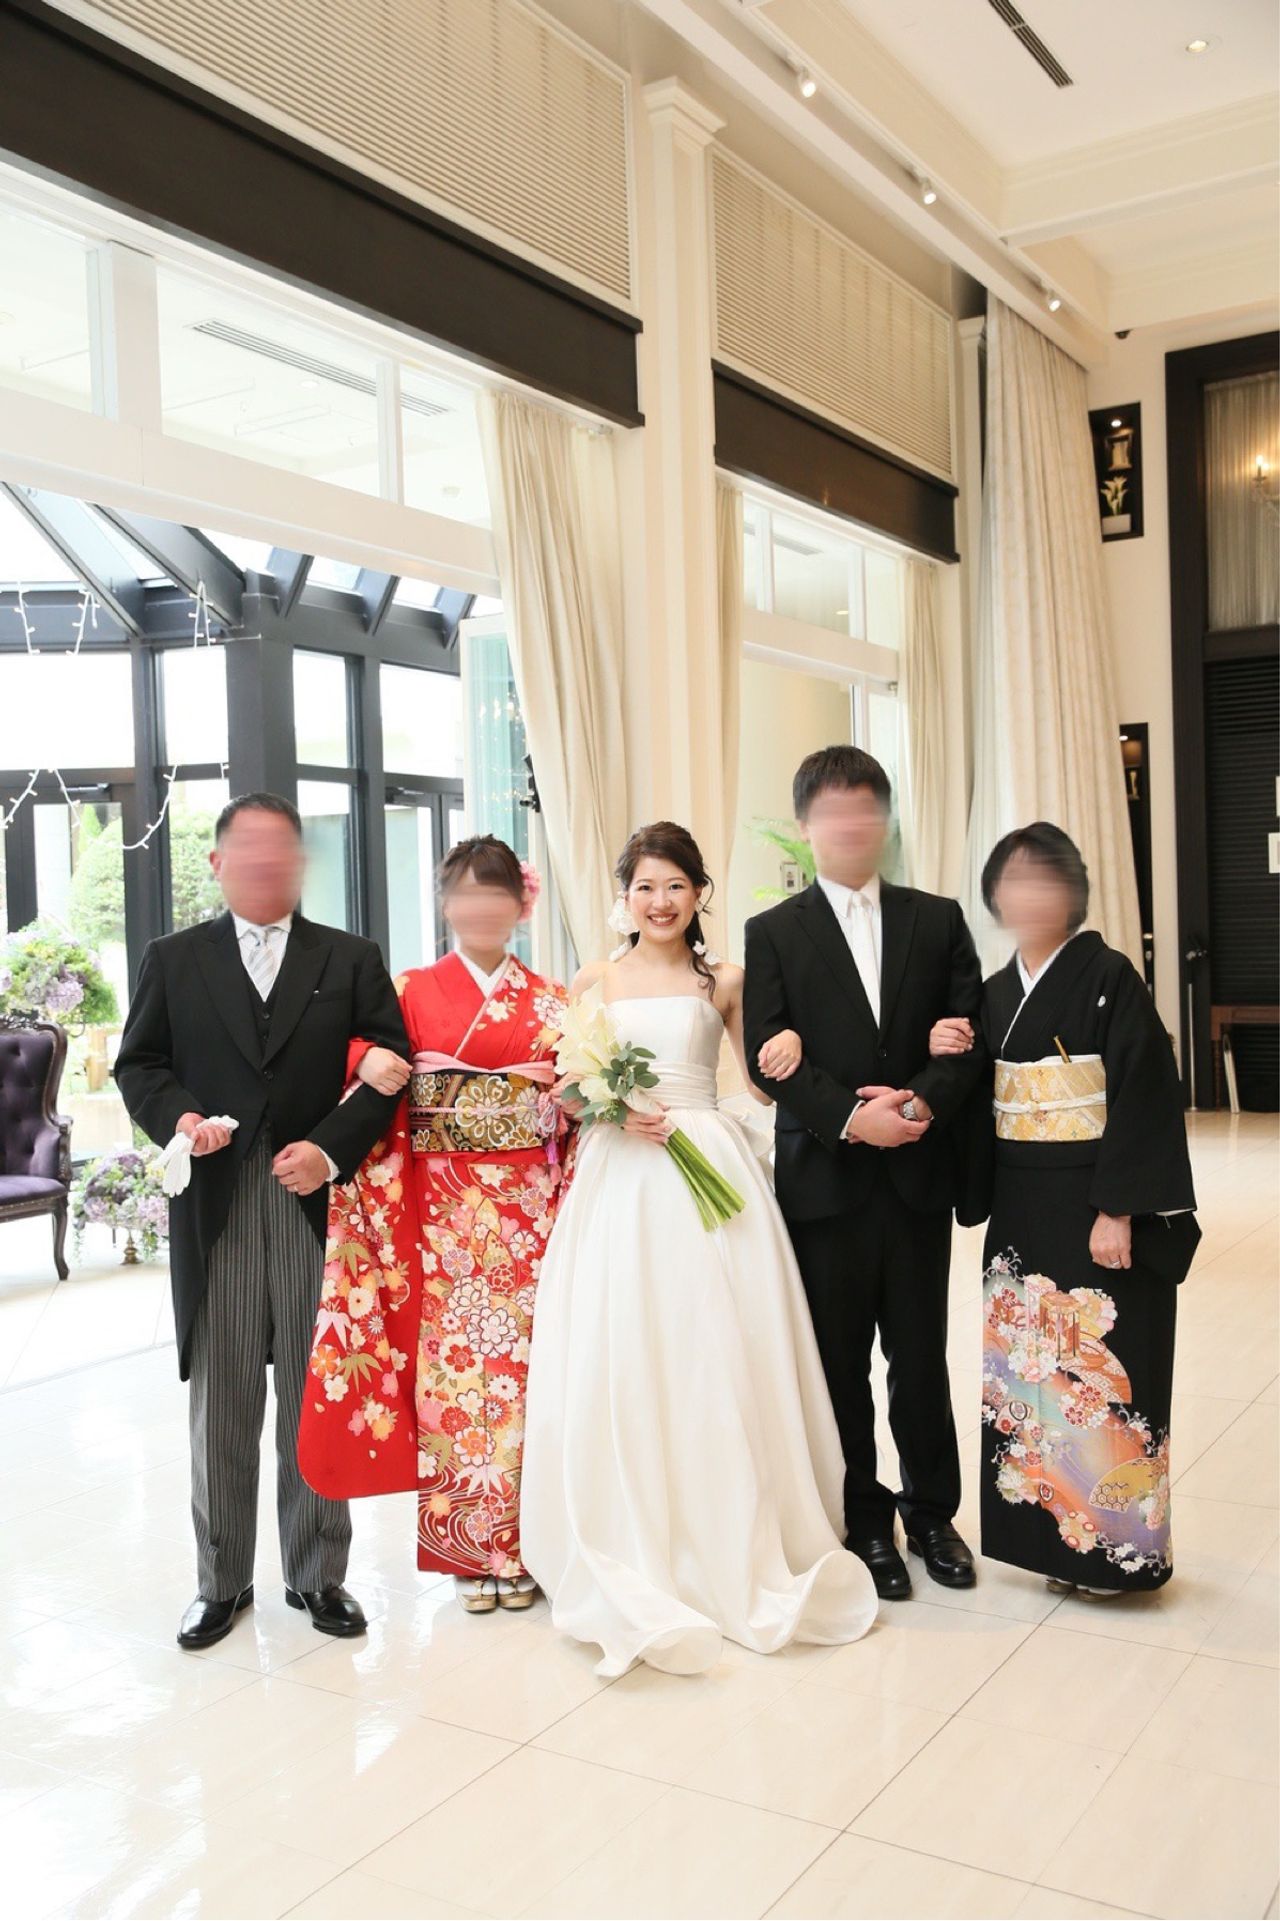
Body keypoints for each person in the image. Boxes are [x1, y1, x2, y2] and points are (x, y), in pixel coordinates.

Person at [520, 821, 878, 1678]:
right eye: (645, 886)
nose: (661, 901)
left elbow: (755, 1081)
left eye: (676, 885)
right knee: (627, 1341)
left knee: (716, 1341)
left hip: (707, 1158)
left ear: (699, 893)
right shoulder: (595, 977)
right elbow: (566, 1087)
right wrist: (610, 1106)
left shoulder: (726, 979)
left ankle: (736, 1525)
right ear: (624, 895)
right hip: (622, 1171)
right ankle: (634, 1528)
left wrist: (789, 1049)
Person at [115, 793, 408, 1650]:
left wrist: (329, 1149)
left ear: (300, 862)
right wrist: (180, 1118)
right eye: (247, 847)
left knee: (318, 1392)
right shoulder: (173, 958)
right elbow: (140, 1063)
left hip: (319, 1204)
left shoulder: (350, 956)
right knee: (224, 1397)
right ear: (217, 862)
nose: (265, 861)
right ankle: (221, 1581)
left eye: (281, 848)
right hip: (221, 1205)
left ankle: (318, 1573)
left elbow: (391, 1068)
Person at [297, 837, 570, 1615]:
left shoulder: (553, 998)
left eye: (497, 893)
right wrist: (365, 1059)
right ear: (445, 902)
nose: (481, 907)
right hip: (443, 1210)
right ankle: (468, 1545)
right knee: (454, 1377)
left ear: (522, 904)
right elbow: (351, 1047)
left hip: (530, 1209)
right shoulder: (410, 989)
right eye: (466, 893)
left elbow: (575, 1088)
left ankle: (526, 1541)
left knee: (527, 1374)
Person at [927, 822, 1198, 1597]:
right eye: (1013, 882)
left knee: (1104, 1375)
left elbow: (1146, 1093)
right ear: (995, 898)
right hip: (1021, 1208)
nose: (1029, 895)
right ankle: (1049, 1546)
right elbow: (973, 1089)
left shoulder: (1111, 976)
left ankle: (1112, 1550)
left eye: (1045, 879)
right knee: (1031, 1376)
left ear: (1074, 892)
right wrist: (948, 1043)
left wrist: (1120, 1208)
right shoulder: (994, 992)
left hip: (1095, 1202)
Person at [743, 746, 986, 1602]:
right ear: (806, 825)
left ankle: (933, 1515)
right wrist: (852, 1117)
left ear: (884, 820)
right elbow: (767, 1051)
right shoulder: (773, 932)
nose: (850, 825)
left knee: (920, 1358)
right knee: (839, 1365)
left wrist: (916, 1103)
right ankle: (865, 1523)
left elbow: (967, 1033)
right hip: (825, 1183)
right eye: (832, 812)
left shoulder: (939, 919)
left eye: (865, 809)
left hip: (917, 1176)